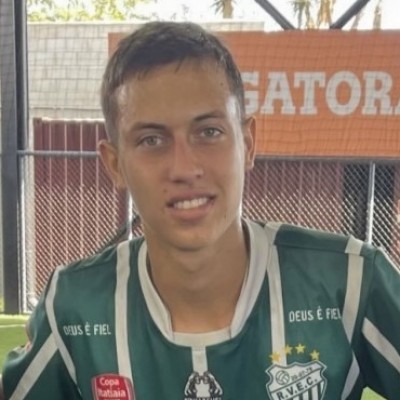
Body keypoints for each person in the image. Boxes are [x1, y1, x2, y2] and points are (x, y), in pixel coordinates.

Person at [1, 20, 400, 400]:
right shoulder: (74, 307)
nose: (185, 168)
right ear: (115, 164)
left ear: (248, 143)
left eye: (209, 132)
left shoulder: (350, 281)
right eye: (152, 140)